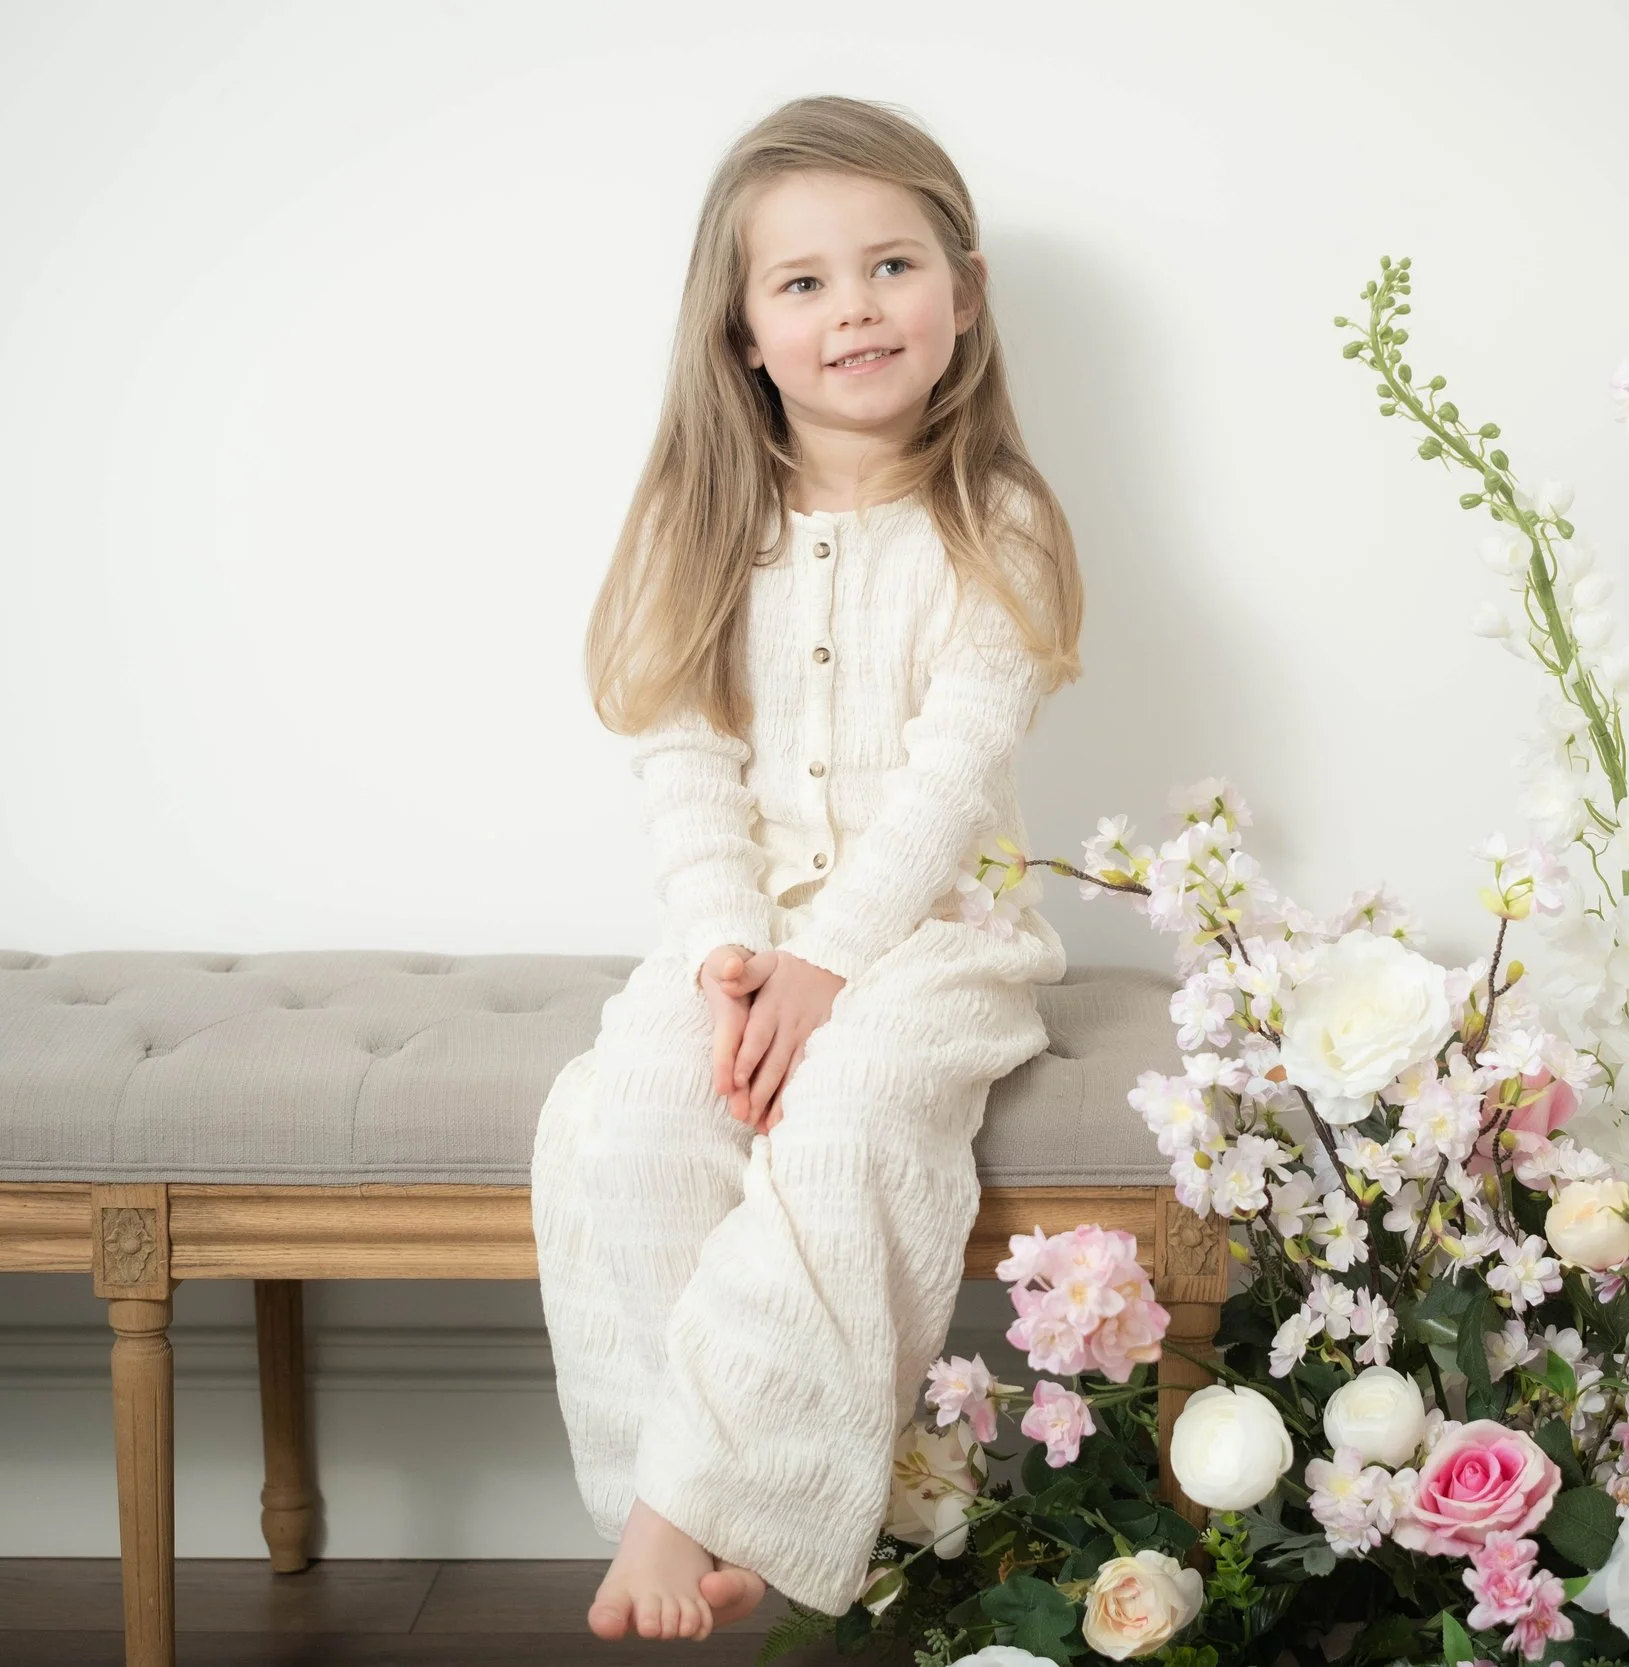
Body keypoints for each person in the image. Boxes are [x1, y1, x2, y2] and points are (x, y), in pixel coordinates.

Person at [528, 93, 1085, 1643]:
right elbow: (684, 762)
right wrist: (730, 954)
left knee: (844, 1121)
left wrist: (830, 967)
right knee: (638, 1111)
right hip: (748, 935)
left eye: (893, 265)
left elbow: (944, 787)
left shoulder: (997, 522)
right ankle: (701, 1503)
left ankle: (683, 1510)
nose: (856, 307)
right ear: (744, 330)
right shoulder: (703, 521)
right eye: (805, 281)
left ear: (963, 292)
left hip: (937, 937)